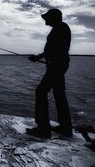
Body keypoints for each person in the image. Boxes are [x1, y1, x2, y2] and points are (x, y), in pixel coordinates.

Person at [26, 8, 73, 138]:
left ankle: (43, 128)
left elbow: (57, 49)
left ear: (54, 18)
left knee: (40, 91)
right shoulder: (60, 28)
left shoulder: (61, 28)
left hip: (56, 67)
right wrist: (39, 57)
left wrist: (45, 59)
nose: (45, 20)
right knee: (59, 94)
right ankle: (65, 127)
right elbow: (52, 49)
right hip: (57, 65)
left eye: (47, 17)